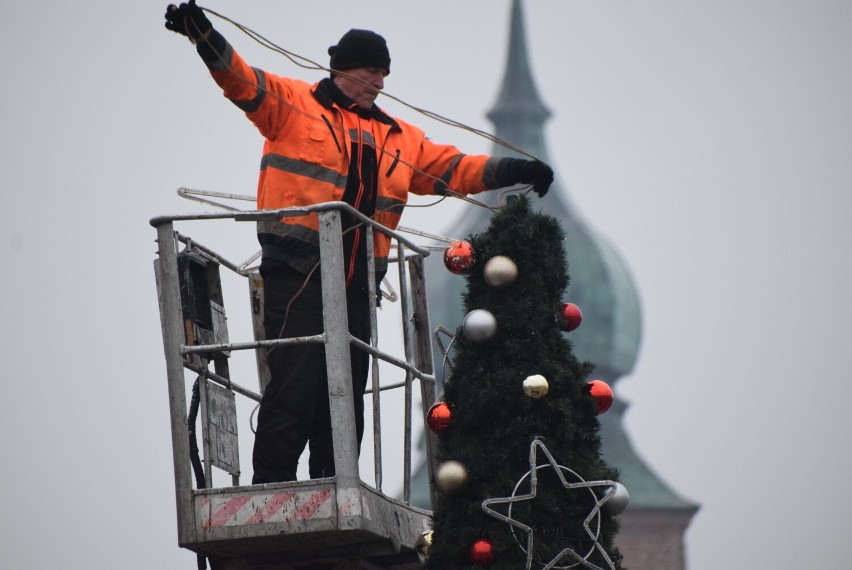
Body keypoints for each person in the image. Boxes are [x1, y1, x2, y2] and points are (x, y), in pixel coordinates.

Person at [164, 1, 554, 484]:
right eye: (374, 71)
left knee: (346, 392)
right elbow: (241, 79)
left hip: (357, 285)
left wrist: (515, 169)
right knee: (295, 386)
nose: (382, 83)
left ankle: (334, 483)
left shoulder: (398, 137)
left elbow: (452, 168)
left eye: (385, 74)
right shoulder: (293, 105)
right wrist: (202, 35)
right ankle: (272, 487)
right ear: (346, 69)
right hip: (298, 269)